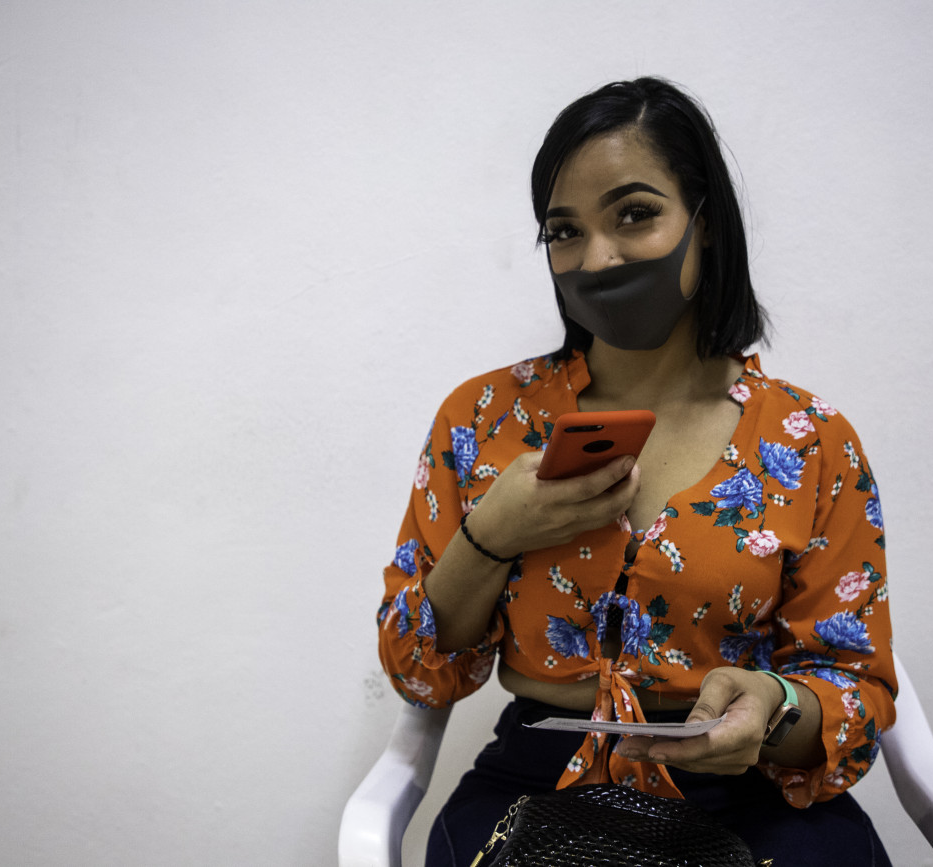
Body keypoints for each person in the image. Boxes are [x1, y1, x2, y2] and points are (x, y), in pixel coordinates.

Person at [377, 77, 896, 866]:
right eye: (564, 230)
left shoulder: (811, 440)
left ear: (706, 222)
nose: (598, 257)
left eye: (634, 213)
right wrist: (492, 536)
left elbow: (857, 687)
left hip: (748, 787)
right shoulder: (482, 419)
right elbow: (420, 675)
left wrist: (772, 705)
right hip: (537, 780)